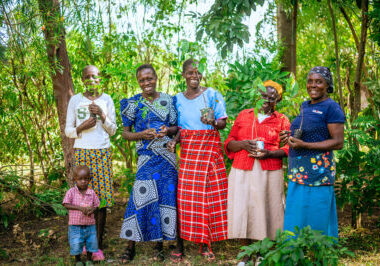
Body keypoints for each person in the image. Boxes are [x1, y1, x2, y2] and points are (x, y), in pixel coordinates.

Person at [167, 59, 228, 261]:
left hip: (209, 149)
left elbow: (222, 123)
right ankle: (181, 243)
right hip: (189, 150)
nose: (195, 76)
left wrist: (212, 121)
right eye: (190, 73)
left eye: (198, 73)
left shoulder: (212, 94)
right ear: (184, 75)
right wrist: (174, 141)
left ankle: (205, 243)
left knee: (207, 196)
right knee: (185, 197)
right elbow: (178, 127)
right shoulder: (176, 99)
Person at [119, 64, 178, 262]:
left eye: (149, 78)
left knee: (164, 199)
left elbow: (176, 127)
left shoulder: (168, 100)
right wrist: (141, 134)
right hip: (146, 158)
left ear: (156, 78)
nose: (146, 83)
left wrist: (168, 133)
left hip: (167, 157)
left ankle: (158, 245)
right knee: (139, 198)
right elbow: (125, 133)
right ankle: (130, 246)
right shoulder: (132, 103)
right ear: (138, 82)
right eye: (142, 80)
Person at [280, 66, 345, 238]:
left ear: (327, 85)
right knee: (296, 217)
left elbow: (338, 142)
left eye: (319, 82)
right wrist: (290, 136)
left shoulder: (331, 107)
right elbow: (308, 132)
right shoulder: (304, 105)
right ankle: (294, 255)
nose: (313, 85)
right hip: (298, 173)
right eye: (310, 81)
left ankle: (319, 256)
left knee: (318, 218)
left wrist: (305, 145)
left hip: (318, 174)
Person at [224, 81, 290, 247]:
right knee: (243, 208)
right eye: (263, 95)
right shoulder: (244, 115)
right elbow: (229, 142)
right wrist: (244, 144)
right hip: (242, 168)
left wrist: (270, 153)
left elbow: (289, 147)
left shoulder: (282, 120)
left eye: (272, 97)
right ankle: (246, 253)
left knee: (266, 210)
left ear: (278, 100)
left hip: (269, 170)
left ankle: (262, 252)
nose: (266, 100)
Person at [65, 65, 117, 261]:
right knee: (82, 199)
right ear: (82, 80)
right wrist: (82, 126)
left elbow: (113, 130)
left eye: (94, 76)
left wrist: (102, 116)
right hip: (82, 154)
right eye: (86, 77)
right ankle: (83, 246)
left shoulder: (107, 99)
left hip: (102, 153)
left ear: (99, 79)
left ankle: (97, 248)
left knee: (101, 201)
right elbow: (68, 131)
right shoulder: (76, 100)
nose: (90, 80)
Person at [63, 165, 100, 266]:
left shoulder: (92, 193)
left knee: (91, 242)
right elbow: (66, 204)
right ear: (75, 179)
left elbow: (97, 205)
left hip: (90, 224)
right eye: (80, 179)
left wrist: (92, 209)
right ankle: (78, 260)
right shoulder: (71, 192)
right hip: (75, 225)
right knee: (76, 243)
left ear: (89, 179)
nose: (83, 181)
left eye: (86, 179)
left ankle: (89, 259)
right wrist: (80, 208)